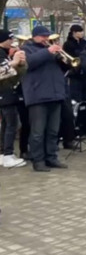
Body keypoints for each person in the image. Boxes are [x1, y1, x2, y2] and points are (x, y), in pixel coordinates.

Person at [22, 26, 68, 172]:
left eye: (47, 36)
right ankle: (38, 160)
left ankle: (51, 157)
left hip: (55, 94)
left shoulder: (52, 52)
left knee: (53, 130)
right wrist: (48, 51)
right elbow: (29, 63)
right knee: (38, 132)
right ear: (34, 36)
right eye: (42, 36)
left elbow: (66, 68)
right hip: (37, 96)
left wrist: (63, 59)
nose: (46, 39)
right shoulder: (25, 49)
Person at [0, 30, 27, 168]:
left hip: (7, 94)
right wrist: (14, 62)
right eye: (9, 39)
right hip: (5, 94)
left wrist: (21, 64)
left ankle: (3, 153)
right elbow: (2, 72)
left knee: (6, 124)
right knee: (11, 124)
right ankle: (8, 154)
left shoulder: (4, 53)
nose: (12, 42)